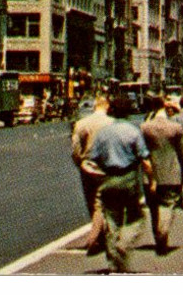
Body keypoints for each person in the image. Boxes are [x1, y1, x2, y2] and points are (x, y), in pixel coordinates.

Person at [87, 94, 154, 274]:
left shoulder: (103, 133)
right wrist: (152, 180)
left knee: (111, 222)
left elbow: (92, 160)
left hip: (108, 179)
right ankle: (124, 244)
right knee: (136, 217)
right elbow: (145, 160)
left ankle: (113, 265)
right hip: (129, 179)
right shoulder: (133, 131)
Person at [141, 96, 183, 255]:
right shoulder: (175, 128)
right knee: (167, 206)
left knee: (153, 208)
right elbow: (182, 153)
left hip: (150, 174)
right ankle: (162, 233)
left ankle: (159, 239)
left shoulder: (145, 127)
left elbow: (142, 153)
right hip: (171, 172)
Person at [71, 94, 112, 254]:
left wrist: (80, 162)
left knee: (92, 202)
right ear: (107, 106)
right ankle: (96, 238)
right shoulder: (111, 123)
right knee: (102, 203)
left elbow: (75, 148)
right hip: (106, 167)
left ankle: (98, 236)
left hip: (87, 167)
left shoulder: (81, 123)